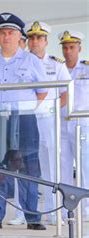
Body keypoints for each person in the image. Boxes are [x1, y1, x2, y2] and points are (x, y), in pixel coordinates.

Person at [0, 12, 48, 230]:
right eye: (3, 33)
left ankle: (32, 218)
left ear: (19, 37)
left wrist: (23, 108)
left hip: (24, 119)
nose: (6, 37)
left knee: (28, 168)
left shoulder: (32, 61)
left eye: (11, 33)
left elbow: (42, 92)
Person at [25, 21, 72, 225]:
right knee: (24, 165)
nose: (34, 41)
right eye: (31, 37)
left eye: (39, 38)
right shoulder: (21, 62)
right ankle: (23, 213)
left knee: (52, 166)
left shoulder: (56, 64)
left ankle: (54, 212)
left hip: (48, 120)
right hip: (25, 119)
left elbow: (66, 92)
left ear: (45, 41)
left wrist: (53, 110)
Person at [59, 30, 89, 220]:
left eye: (72, 47)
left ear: (79, 48)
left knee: (85, 166)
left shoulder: (87, 69)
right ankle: (63, 209)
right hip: (61, 123)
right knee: (63, 167)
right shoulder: (58, 68)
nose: (68, 51)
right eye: (65, 47)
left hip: (82, 123)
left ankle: (86, 208)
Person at [0, 150, 46, 230]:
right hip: (5, 184)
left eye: (21, 159)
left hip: (24, 178)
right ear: (10, 161)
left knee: (30, 183)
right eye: (18, 160)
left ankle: (33, 221)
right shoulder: (4, 176)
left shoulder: (24, 175)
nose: (21, 162)